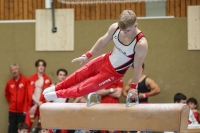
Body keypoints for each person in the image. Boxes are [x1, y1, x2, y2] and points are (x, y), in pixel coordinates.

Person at [43, 10, 148, 104]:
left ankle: (57, 94)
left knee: (84, 88)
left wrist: (134, 87)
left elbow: (138, 67)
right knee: (79, 74)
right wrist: (87, 55)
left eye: (127, 31)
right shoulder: (115, 28)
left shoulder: (140, 43)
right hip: (105, 59)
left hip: (113, 73)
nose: (124, 33)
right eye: (122, 29)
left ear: (135, 25)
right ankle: (55, 88)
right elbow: (102, 41)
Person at [25, 59, 52, 129]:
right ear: (36, 67)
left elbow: (46, 94)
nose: (41, 67)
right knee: (27, 125)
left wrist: (38, 104)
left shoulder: (47, 79)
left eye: (42, 65)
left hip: (42, 105)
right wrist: (36, 103)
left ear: (45, 67)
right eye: (39, 65)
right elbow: (29, 92)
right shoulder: (31, 78)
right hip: (32, 105)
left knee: (42, 126)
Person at [5, 64, 28, 133]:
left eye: (15, 69)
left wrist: (24, 106)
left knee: (21, 129)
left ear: (19, 70)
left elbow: (28, 95)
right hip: (12, 111)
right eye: (12, 70)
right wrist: (13, 102)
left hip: (22, 111)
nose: (14, 71)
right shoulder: (9, 83)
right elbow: (7, 95)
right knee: (11, 128)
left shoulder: (25, 81)